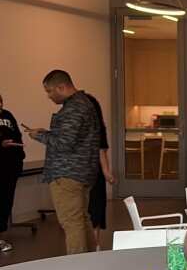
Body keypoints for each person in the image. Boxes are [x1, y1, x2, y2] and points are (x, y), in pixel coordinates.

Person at [26, 70, 100, 255]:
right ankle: (91, 261)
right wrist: (50, 134)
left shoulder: (73, 108)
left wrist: (40, 135)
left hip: (67, 174)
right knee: (82, 219)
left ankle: (77, 268)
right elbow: (73, 138)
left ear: (61, 86)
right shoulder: (86, 103)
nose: (48, 96)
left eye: (49, 91)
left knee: (72, 223)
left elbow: (65, 143)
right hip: (83, 172)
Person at [84, 93, 117, 246]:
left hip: (94, 173)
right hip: (81, 173)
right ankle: (89, 246)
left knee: (95, 210)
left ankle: (94, 244)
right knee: (87, 211)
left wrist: (106, 172)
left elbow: (101, 150)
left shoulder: (97, 129)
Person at [0, 93, 25, 252]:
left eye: (1, 102)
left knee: (5, 203)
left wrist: (19, 157)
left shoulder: (8, 115)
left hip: (10, 167)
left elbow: (17, 136)